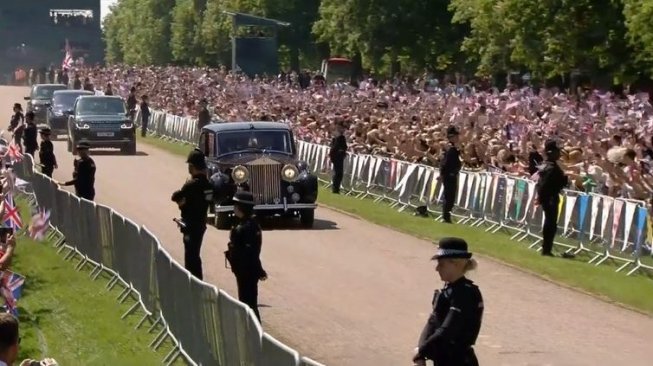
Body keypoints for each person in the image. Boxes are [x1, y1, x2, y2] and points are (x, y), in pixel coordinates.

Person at [413, 237, 483, 366]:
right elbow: (432, 322)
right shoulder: (449, 290)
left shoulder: (465, 294)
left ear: (455, 264)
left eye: (441, 264)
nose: (437, 268)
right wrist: (420, 353)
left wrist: (421, 352)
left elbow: (447, 330)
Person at [224, 191, 267, 321]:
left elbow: (251, 253)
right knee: (247, 302)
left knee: (249, 303)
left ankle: (254, 334)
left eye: (236, 205)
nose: (234, 208)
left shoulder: (245, 227)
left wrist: (259, 270)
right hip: (244, 270)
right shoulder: (249, 225)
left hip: (246, 270)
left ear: (241, 207)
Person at [171, 149, 212, 280]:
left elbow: (176, 197)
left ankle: (194, 284)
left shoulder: (190, 185)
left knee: (191, 258)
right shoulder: (208, 185)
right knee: (195, 255)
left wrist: (181, 203)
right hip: (201, 224)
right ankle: (196, 282)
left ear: (192, 166)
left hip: (190, 224)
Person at [534, 140, 569, 257]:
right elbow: (544, 184)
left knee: (550, 223)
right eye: (557, 151)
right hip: (550, 197)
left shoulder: (545, 164)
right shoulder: (551, 167)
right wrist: (564, 179)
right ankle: (546, 249)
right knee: (551, 223)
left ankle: (546, 248)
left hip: (547, 196)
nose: (559, 153)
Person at [439, 126, 462, 223]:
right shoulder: (451, 149)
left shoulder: (451, 148)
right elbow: (446, 163)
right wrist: (442, 173)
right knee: (449, 196)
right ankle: (446, 216)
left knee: (449, 196)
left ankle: (446, 215)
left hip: (450, 174)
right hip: (450, 174)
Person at [329, 123, 347, 194]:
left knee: (338, 173)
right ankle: (335, 189)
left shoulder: (337, 138)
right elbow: (336, 148)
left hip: (338, 157)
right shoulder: (339, 138)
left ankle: (336, 188)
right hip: (338, 157)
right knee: (338, 173)